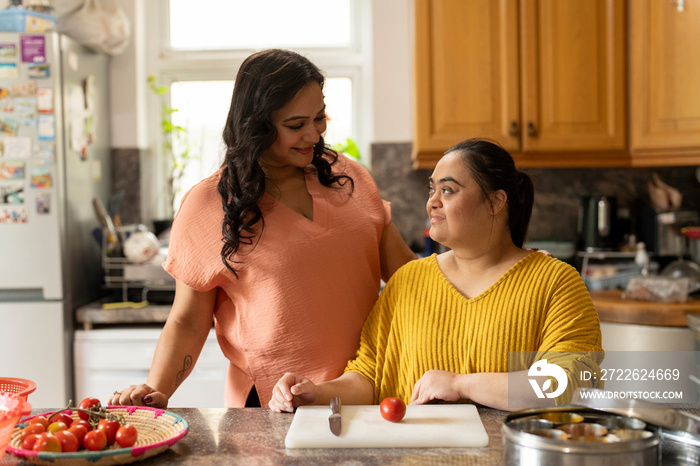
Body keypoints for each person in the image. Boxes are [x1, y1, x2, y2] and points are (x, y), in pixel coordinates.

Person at [109, 49, 416, 408]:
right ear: (256, 125)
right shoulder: (209, 204)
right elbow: (189, 321)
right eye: (295, 125)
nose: (314, 135)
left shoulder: (349, 178)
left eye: (319, 118)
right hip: (275, 404)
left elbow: (407, 277)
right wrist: (156, 391)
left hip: (369, 390)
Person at [269, 138, 604, 413]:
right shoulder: (408, 281)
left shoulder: (555, 283)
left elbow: (571, 383)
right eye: (432, 190)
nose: (432, 203)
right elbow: (368, 376)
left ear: (495, 201)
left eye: (448, 190)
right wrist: (315, 394)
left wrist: (461, 384)